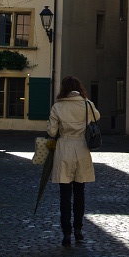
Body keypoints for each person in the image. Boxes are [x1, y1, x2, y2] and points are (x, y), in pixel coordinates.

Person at [46, 75, 101, 247]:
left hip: (64, 149)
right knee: (79, 193)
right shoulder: (86, 104)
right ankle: (78, 229)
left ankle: (66, 233)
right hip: (82, 149)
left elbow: (51, 131)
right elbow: (97, 117)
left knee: (64, 195)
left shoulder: (58, 107)